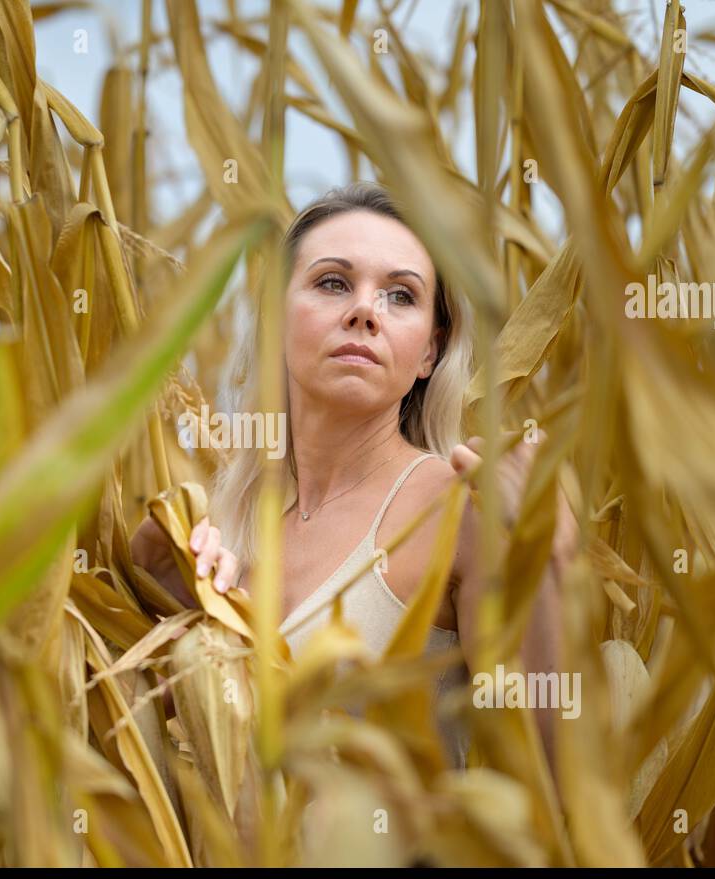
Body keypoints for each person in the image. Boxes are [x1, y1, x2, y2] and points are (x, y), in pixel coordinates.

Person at [131, 181, 577, 770]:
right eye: (333, 282)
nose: (365, 310)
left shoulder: (463, 510)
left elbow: (551, 782)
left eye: (401, 295)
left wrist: (548, 562)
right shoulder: (231, 528)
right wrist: (154, 586)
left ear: (428, 354)